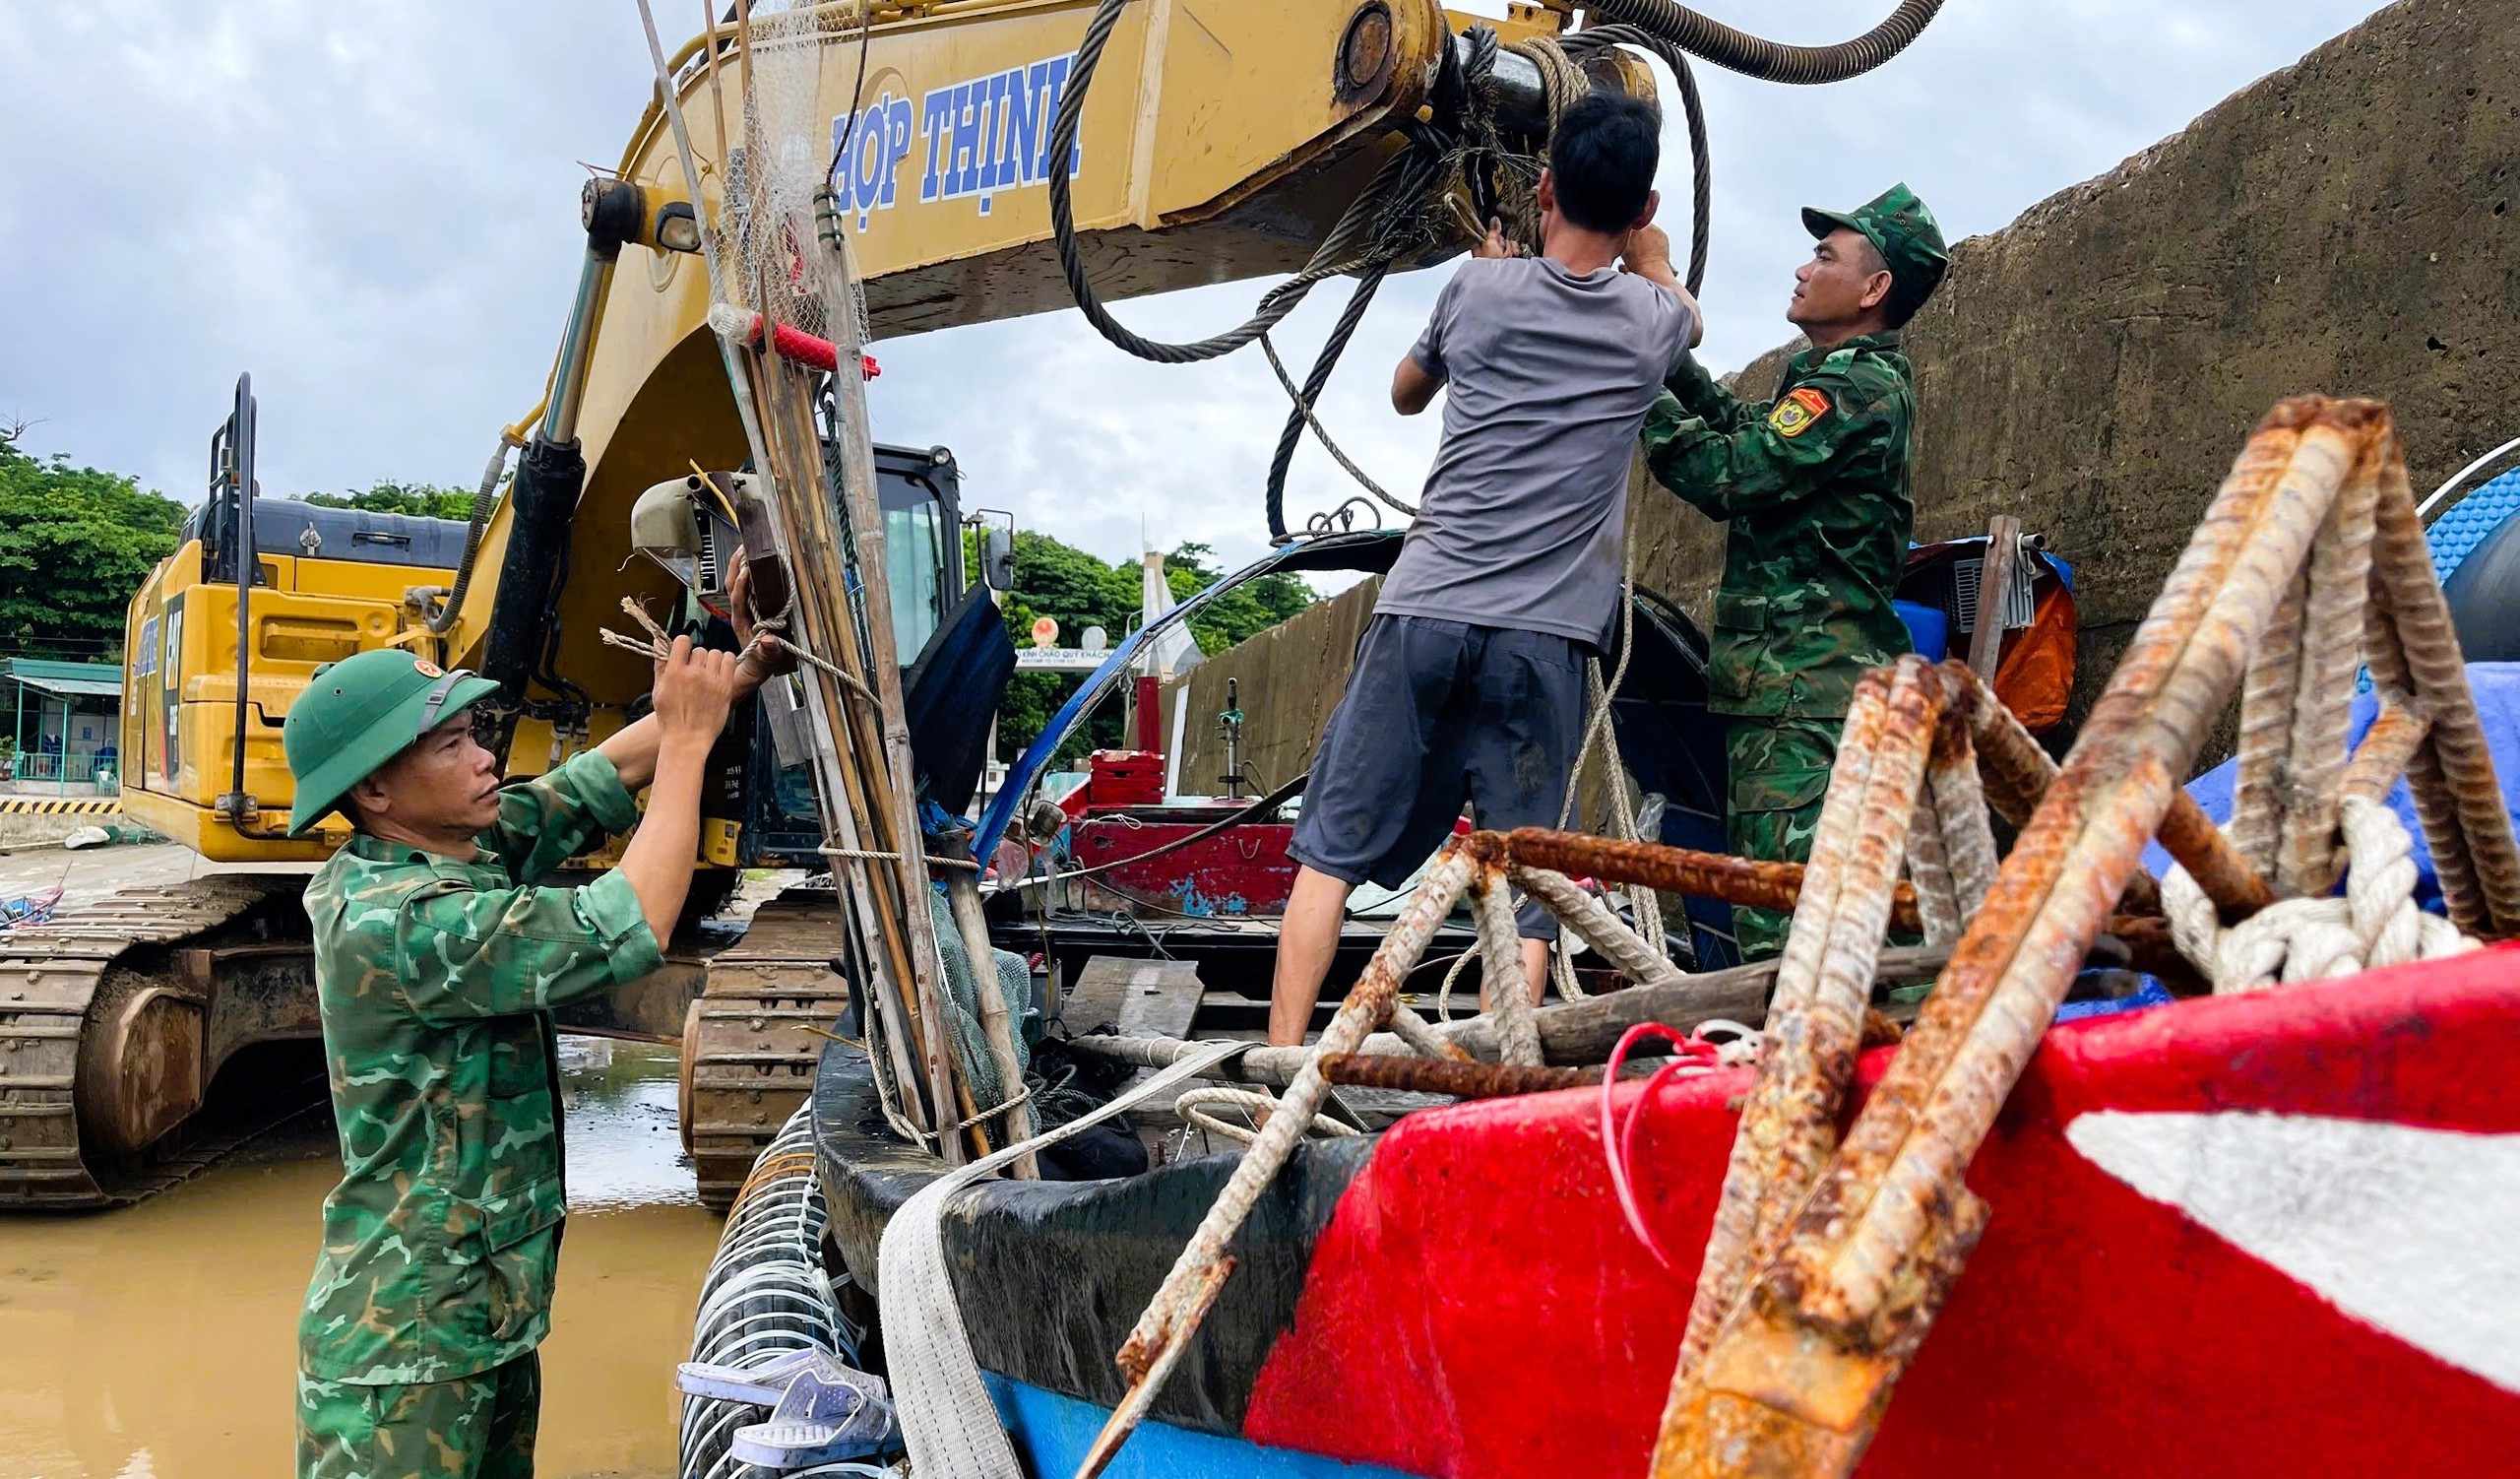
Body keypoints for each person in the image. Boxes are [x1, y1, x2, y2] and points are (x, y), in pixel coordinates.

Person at [284, 586, 775, 1478]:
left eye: (472, 734)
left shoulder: (446, 851)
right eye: (451, 745)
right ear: (376, 788)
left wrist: (726, 678)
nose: (484, 758)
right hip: (405, 1348)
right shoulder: (399, 919)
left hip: (480, 1316)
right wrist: (690, 745)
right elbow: (631, 919)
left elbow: (589, 784)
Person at [1269, 91, 1702, 1046]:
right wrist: (1653, 254)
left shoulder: (1475, 289)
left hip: (1425, 608)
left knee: (1329, 854)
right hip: (1544, 641)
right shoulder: (1651, 323)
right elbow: (1687, 314)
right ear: (1642, 207)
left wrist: (1494, 275)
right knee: (1526, 885)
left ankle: (1279, 1071)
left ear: (1542, 188)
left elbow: (1405, 394)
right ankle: (1494, 1078)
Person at [1637, 183, 1948, 957]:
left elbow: (1727, 473)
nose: (1804, 269)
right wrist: (1666, 353)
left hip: (1802, 696)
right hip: (1806, 691)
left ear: (1874, 289)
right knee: (1852, 916)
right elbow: (1744, 426)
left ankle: (1814, 1038)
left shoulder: (1855, 386)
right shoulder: (1837, 379)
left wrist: (1632, 372)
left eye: (1825, 256)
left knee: (1786, 923)